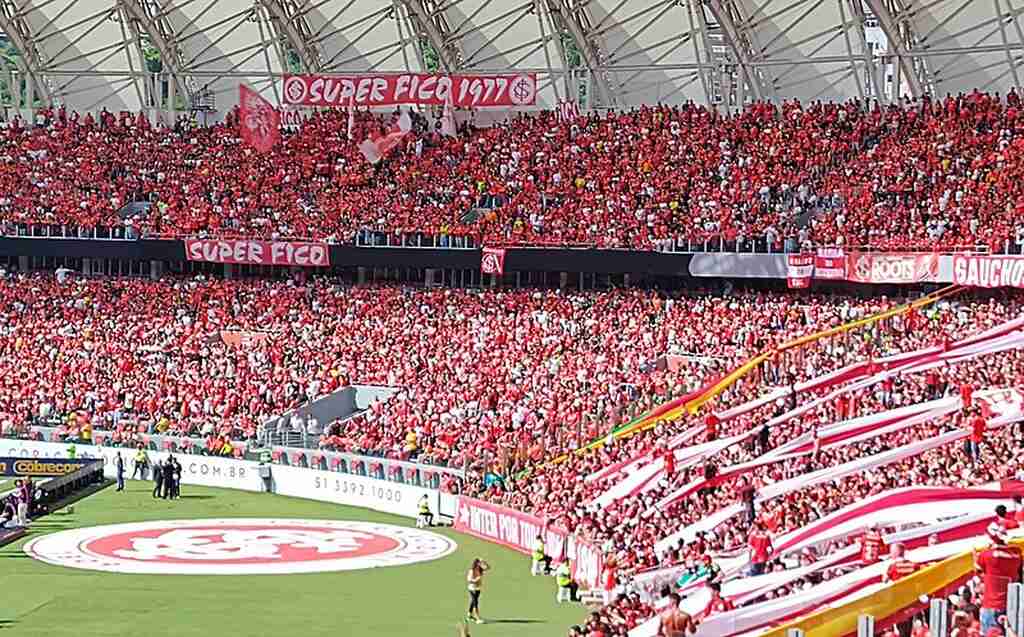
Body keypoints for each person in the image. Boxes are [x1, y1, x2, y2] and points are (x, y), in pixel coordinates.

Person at [974, 523, 1023, 635]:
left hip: (991, 605)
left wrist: (975, 557)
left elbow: (978, 571)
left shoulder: (986, 555)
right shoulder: (1017, 554)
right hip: (1010, 606)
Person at [466, 558, 489, 624]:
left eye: (480, 563)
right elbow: (469, 580)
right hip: (472, 589)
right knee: (475, 602)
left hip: (478, 588)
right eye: (479, 563)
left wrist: (484, 561)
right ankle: (478, 618)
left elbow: (488, 567)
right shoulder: (471, 571)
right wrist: (476, 580)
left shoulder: (480, 569)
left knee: (473, 602)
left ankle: (469, 615)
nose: (480, 564)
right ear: (476, 563)